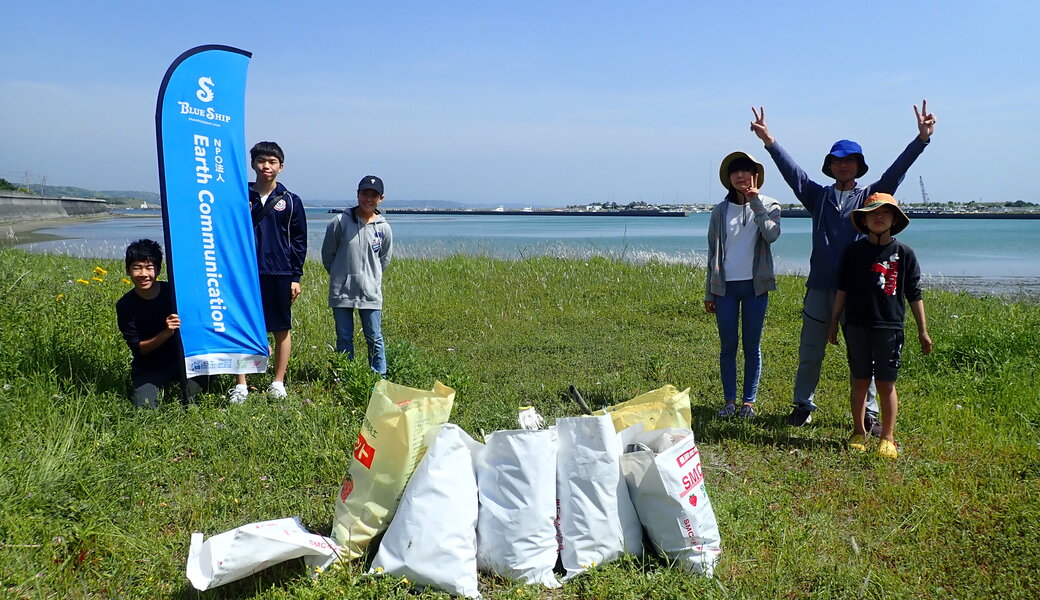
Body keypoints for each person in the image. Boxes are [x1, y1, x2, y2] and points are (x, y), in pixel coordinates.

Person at [750, 100, 937, 430]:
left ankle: (870, 411)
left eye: (850, 161)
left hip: (861, 292)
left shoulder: (871, 198)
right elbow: (794, 174)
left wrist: (921, 139)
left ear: (859, 166)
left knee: (865, 355)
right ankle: (802, 404)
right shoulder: (817, 197)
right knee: (810, 350)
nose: (844, 166)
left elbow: (896, 172)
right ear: (830, 167)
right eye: (837, 161)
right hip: (821, 287)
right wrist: (770, 142)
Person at [827, 193, 931, 459]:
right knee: (859, 380)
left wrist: (922, 330)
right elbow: (843, 289)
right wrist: (833, 321)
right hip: (857, 325)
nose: (879, 217)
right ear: (864, 219)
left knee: (886, 383)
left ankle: (888, 436)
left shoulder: (904, 253)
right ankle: (858, 431)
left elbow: (914, 294)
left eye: (885, 213)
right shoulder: (853, 252)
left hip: (890, 327)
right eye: (873, 213)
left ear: (894, 219)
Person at [704, 152, 782, 419]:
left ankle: (748, 403)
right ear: (728, 178)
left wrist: (755, 202)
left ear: (755, 175)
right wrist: (709, 291)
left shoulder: (770, 205)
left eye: (745, 170)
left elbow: (771, 235)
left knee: (752, 345)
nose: (740, 175)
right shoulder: (719, 211)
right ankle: (729, 401)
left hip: (755, 287)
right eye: (734, 171)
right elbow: (712, 253)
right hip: (724, 287)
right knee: (728, 346)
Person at [229, 141, 307, 402]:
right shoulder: (239, 196)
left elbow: (298, 240)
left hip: (279, 272)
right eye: (262, 160)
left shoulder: (291, 201)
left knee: (281, 328)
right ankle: (241, 383)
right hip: (243, 272)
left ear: (281, 167)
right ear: (253, 164)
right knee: (242, 325)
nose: (266, 166)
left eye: (272, 162)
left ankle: (278, 381)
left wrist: (295, 277)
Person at [116, 239, 207, 408]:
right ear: (128, 271)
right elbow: (139, 348)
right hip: (150, 366)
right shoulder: (125, 305)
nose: (143, 274)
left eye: (149, 267)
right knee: (144, 405)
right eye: (137, 267)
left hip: (184, 360)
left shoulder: (174, 293)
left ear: (158, 270)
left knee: (196, 392)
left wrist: (249, 341)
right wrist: (166, 332)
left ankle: (187, 390)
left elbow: (207, 318)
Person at [321, 175, 393, 375]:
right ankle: (346, 375)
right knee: (344, 337)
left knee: (374, 337)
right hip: (342, 291)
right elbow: (328, 255)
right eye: (364, 194)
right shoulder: (339, 222)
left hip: (370, 292)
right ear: (357, 194)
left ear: (381, 198)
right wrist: (339, 276)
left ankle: (379, 376)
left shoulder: (383, 228)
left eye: (373, 195)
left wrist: (371, 278)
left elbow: (384, 259)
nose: (368, 199)